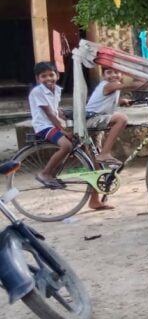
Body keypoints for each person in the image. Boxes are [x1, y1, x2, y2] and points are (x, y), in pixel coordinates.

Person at [28, 62, 110, 211]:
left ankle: (60, 169)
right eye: (43, 76)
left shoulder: (56, 90)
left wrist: (68, 119)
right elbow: (49, 113)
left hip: (53, 124)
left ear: (57, 75)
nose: (48, 78)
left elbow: (56, 110)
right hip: (44, 126)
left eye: (51, 74)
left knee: (74, 143)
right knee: (66, 145)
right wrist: (62, 128)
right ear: (37, 79)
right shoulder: (38, 92)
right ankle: (45, 173)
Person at [84, 67, 139, 165]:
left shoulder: (112, 86)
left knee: (96, 155)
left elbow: (104, 101)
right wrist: (145, 82)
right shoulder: (108, 85)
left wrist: (121, 101)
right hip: (91, 118)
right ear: (103, 76)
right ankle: (105, 153)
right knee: (122, 119)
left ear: (121, 75)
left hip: (97, 118)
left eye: (117, 72)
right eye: (109, 72)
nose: (113, 75)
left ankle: (100, 167)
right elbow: (130, 86)